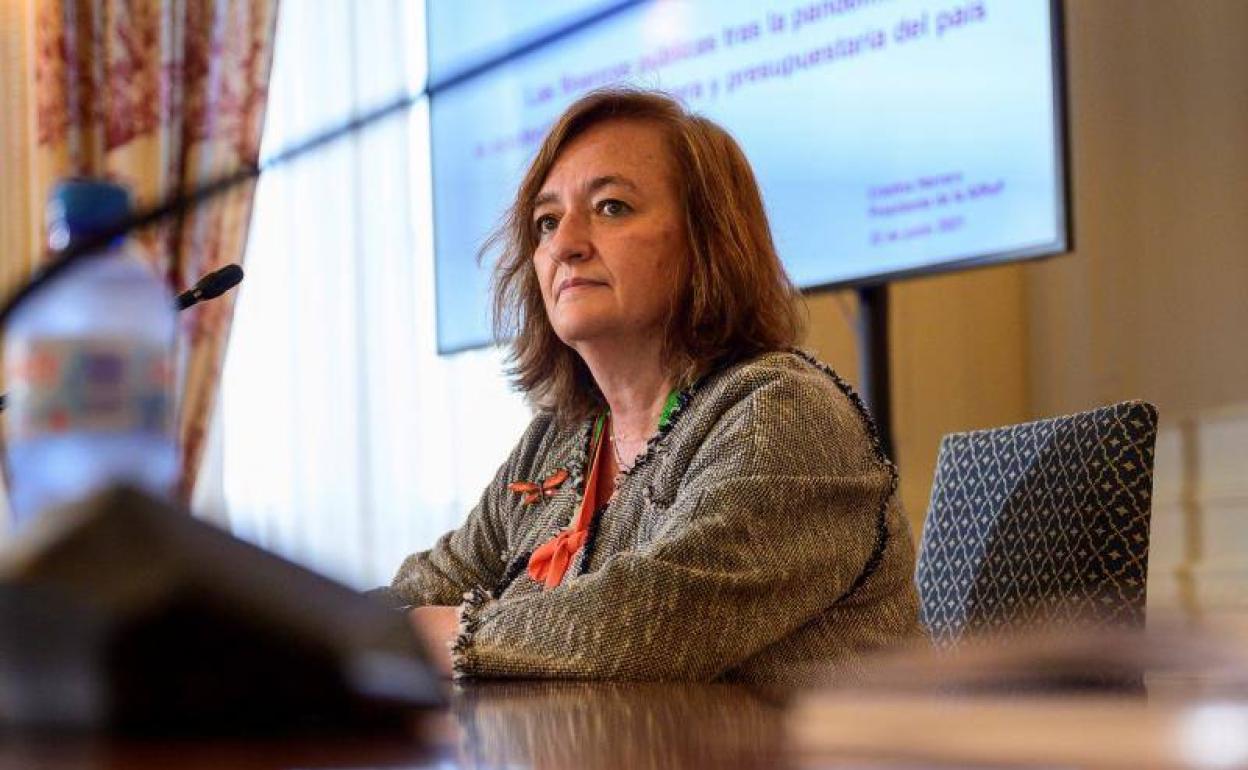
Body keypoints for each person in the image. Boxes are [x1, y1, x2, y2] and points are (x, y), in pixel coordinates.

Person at [382, 88, 921, 684]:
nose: (564, 245)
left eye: (611, 207)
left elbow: (647, 626)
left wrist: (447, 633)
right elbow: (428, 585)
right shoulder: (559, 439)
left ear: (707, 241)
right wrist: (336, 635)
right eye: (547, 222)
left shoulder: (784, 411)